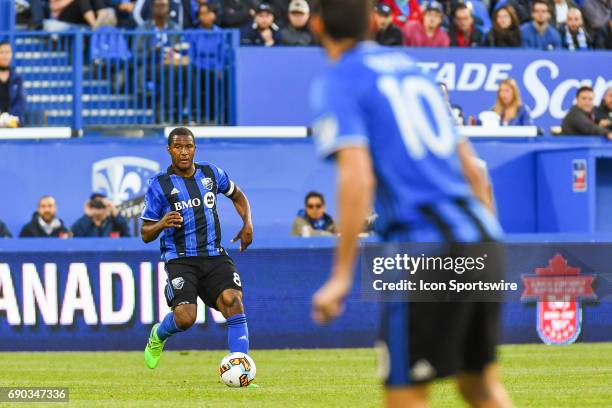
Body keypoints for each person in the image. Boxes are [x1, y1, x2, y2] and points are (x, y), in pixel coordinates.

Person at [309, 2, 510, 408]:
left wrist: (342, 274)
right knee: (480, 386)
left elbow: (357, 175)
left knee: (405, 395)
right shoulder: (414, 69)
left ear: (316, 25)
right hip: (483, 235)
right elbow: (472, 169)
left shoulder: (340, 79)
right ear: (371, 22)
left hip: (428, 246)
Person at [141, 127, 254, 370]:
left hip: (214, 255)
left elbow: (238, 195)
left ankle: (241, 369)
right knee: (186, 318)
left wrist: (247, 223)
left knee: (234, 302)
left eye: (189, 146)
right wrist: (162, 223)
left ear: (195, 148)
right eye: (178, 147)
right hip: (181, 259)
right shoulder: (159, 185)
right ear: (169, 150)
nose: (184, 152)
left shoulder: (211, 173)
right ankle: (159, 334)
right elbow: (145, 234)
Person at [0, 41, 26, 128]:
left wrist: (10, 118)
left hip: (13, 125)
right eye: (1, 52)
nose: (5, 56)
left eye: (7, 52)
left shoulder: (17, 78)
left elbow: (21, 101)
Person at [49, 0, 116, 28]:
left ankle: (102, 14)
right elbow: (53, 7)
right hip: (64, 17)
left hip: (82, 16)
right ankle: (95, 26)